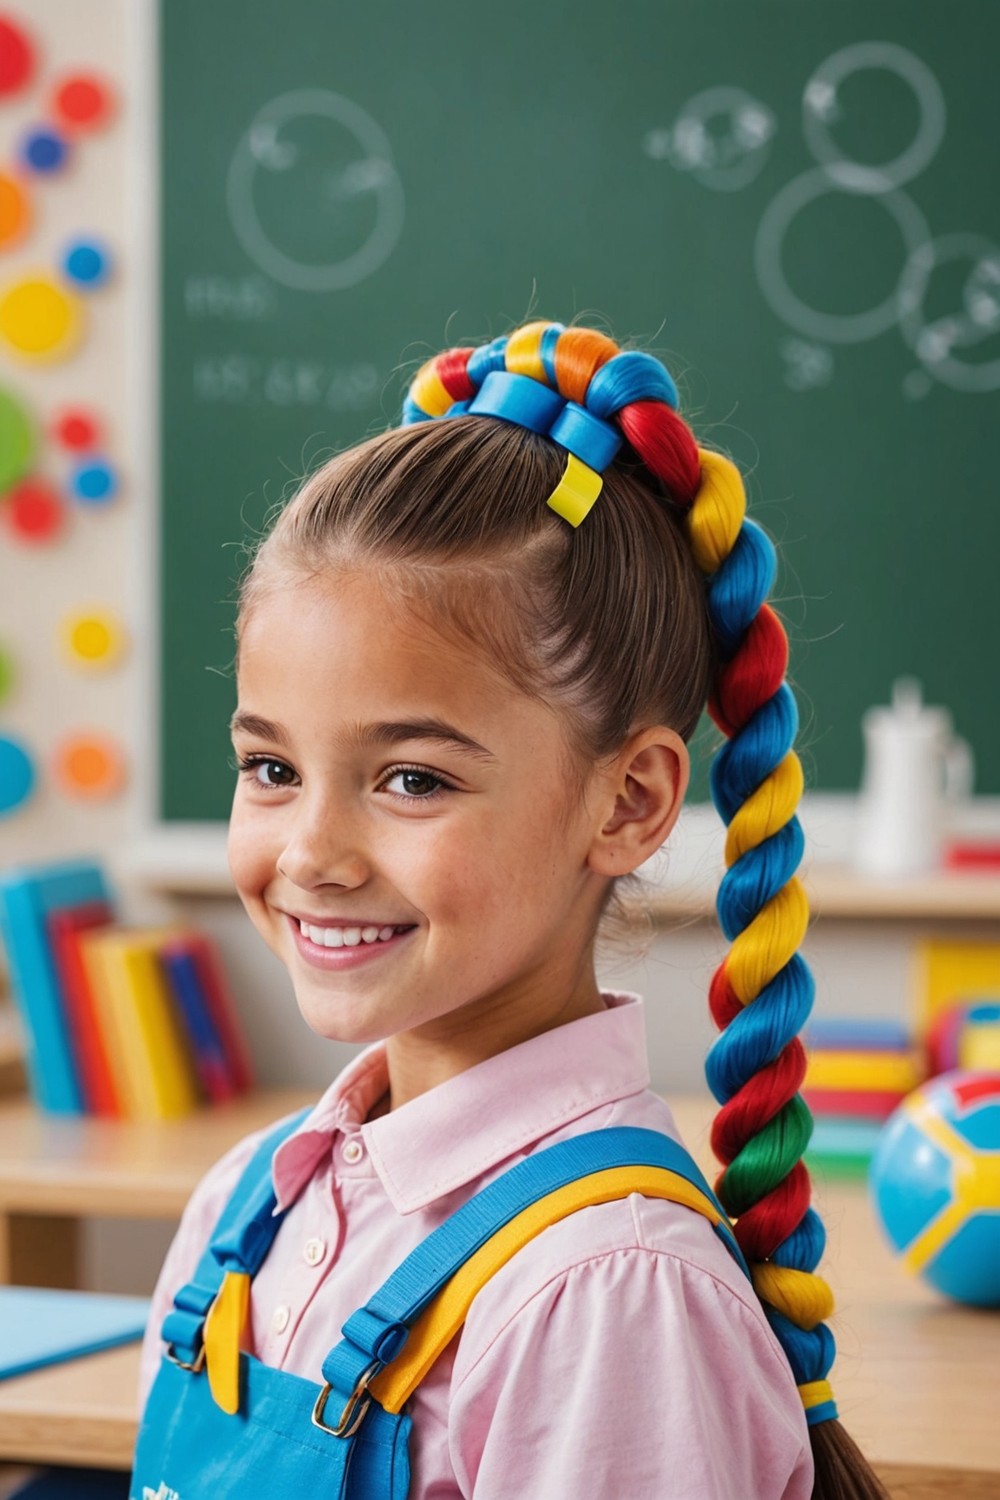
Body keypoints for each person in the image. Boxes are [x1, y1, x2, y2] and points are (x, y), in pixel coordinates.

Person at [135, 319, 888, 1498]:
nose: (313, 854)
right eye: (270, 769)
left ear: (629, 803)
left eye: (412, 780)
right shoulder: (247, 1203)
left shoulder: (609, 1294)